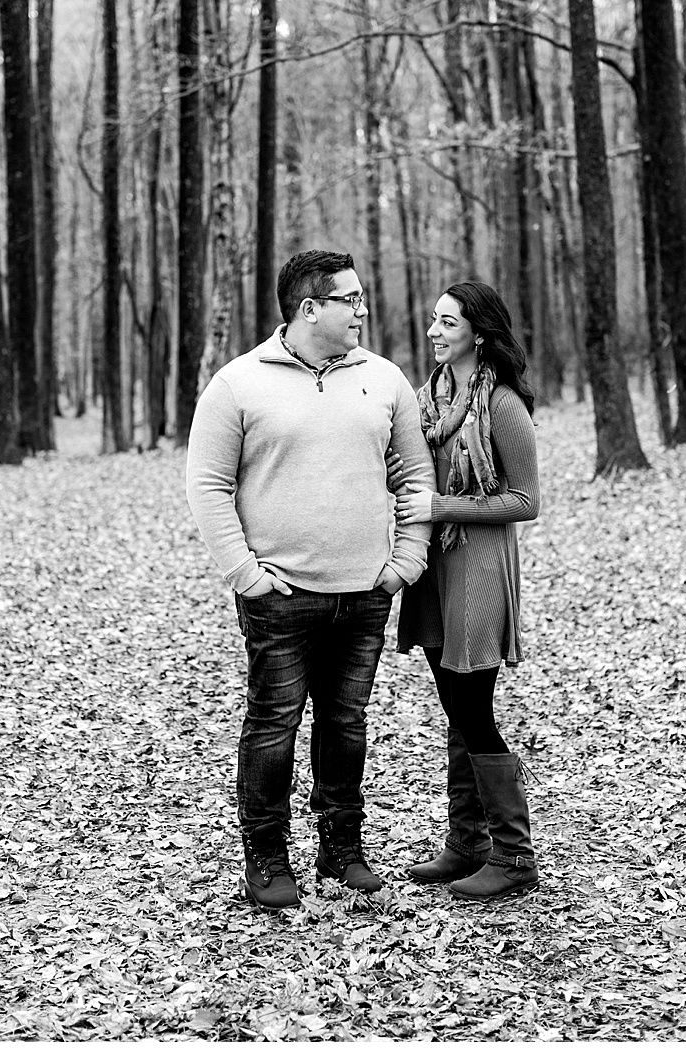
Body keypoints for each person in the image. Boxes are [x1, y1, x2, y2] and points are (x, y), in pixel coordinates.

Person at [186, 249, 435, 909]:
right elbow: (207, 486)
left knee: (345, 722)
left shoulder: (384, 379)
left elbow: (416, 477)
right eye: (349, 300)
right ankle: (267, 859)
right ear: (309, 308)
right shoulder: (238, 384)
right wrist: (245, 574)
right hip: (280, 596)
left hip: (365, 593)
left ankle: (341, 848)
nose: (361, 310)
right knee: (274, 724)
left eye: (360, 298)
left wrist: (407, 560)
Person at [396, 282, 541, 901]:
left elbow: (525, 501)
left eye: (448, 323)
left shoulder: (501, 403)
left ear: (479, 334)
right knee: (456, 709)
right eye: (433, 320)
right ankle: (467, 842)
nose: (434, 331)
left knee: (474, 712)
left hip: (478, 569)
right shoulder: (429, 399)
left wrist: (441, 505)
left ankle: (515, 855)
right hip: (434, 567)